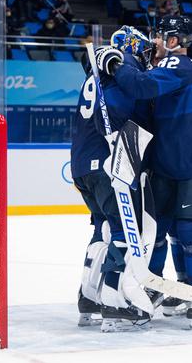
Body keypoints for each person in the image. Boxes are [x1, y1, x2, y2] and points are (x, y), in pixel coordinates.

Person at [95, 15, 192, 327]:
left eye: (160, 36)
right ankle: (169, 286)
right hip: (170, 162)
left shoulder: (180, 65)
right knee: (163, 230)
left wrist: (114, 64)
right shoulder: (172, 65)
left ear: (175, 40)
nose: (155, 41)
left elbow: (142, 86)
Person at [72, 34, 155, 332]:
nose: (145, 55)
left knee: (102, 230)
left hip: (82, 164)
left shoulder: (95, 72)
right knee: (122, 230)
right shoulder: (123, 64)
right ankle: (113, 302)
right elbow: (114, 113)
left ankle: (89, 297)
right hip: (108, 164)